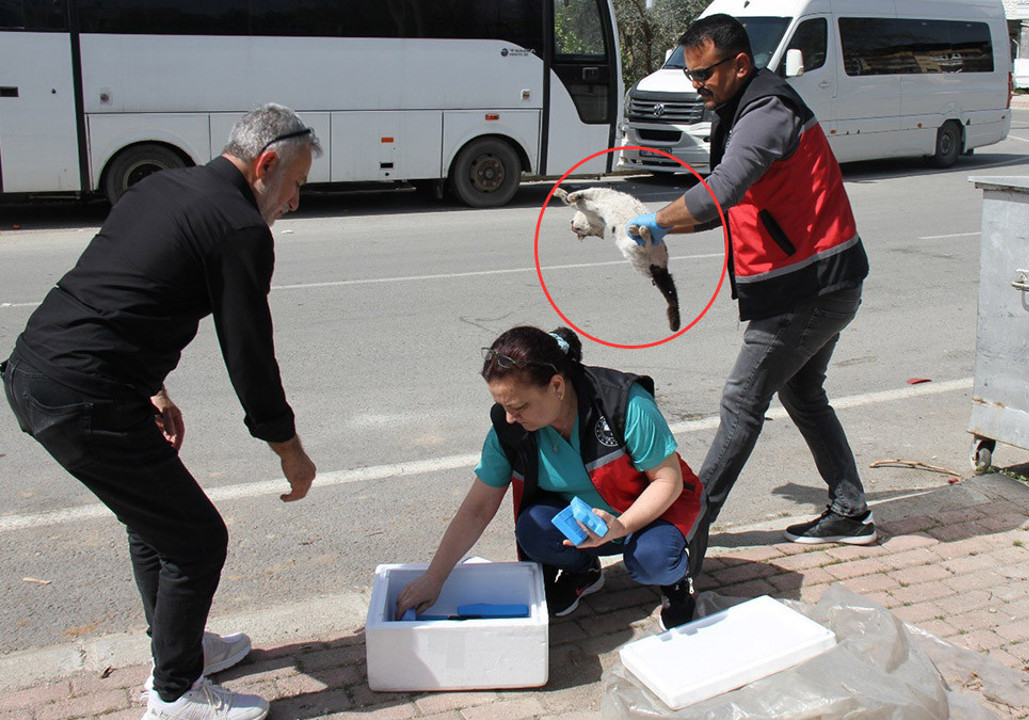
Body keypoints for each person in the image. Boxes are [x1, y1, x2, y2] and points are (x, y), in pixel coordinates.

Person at [2, 104, 321, 720]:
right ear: (267, 164)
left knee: (158, 525)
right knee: (197, 542)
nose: (296, 202)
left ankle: (177, 646)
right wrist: (290, 451)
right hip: (82, 394)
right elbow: (249, 355)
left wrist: (153, 388)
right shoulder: (239, 228)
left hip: (41, 371)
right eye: (297, 185)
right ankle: (175, 693)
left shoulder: (164, 185)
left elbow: (125, 289)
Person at [627, 14, 875, 578]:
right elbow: (725, 210)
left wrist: (658, 220)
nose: (697, 85)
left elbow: (723, 190)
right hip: (821, 281)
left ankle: (687, 529)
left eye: (704, 74)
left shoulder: (766, 112)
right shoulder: (741, 108)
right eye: (690, 75)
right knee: (804, 393)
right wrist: (653, 226)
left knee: (742, 401)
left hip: (809, 289)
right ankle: (850, 509)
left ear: (740, 64)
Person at [396, 326, 703, 631]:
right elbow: (477, 508)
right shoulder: (510, 430)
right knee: (533, 528)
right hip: (589, 527)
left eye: (518, 406)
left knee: (653, 559)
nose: (509, 418)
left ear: (557, 386)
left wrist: (620, 526)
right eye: (502, 406)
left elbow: (668, 481)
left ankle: (676, 582)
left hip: (652, 514)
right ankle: (585, 571)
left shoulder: (623, 403)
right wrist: (433, 578)